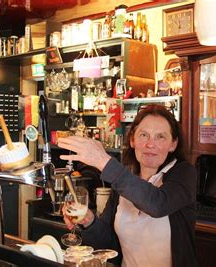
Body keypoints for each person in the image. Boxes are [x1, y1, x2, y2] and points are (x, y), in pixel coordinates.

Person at [58, 104, 198, 267]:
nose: (150, 144)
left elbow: (158, 204)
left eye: (160, 137)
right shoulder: (125, 180)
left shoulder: (184, 173)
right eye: (143, 135)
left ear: (173, 144)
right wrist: (89, 221)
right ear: (132, 140)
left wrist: (103, 161)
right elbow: (108, 244)